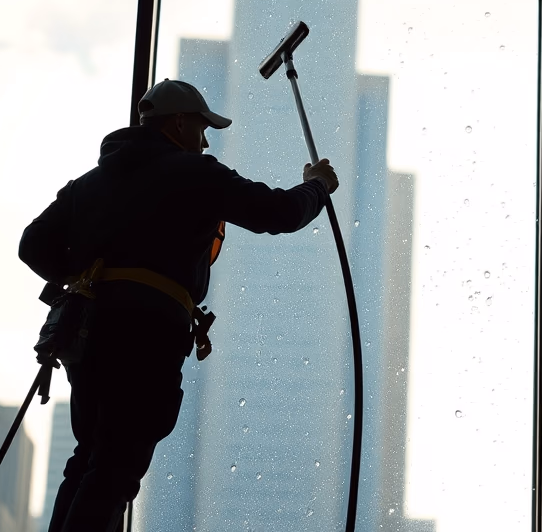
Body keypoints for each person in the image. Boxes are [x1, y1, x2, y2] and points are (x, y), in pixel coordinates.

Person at [18, 79, 339, 532]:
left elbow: (32, 246)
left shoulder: (87, 185)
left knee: (89, 456)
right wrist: (318, 187)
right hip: (148, 334)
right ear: (180, 122)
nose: (206, 140)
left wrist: (87, 277)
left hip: (89, 334)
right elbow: (277, 213)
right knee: (117, 466)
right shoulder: (194, 172)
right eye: (203, 128)